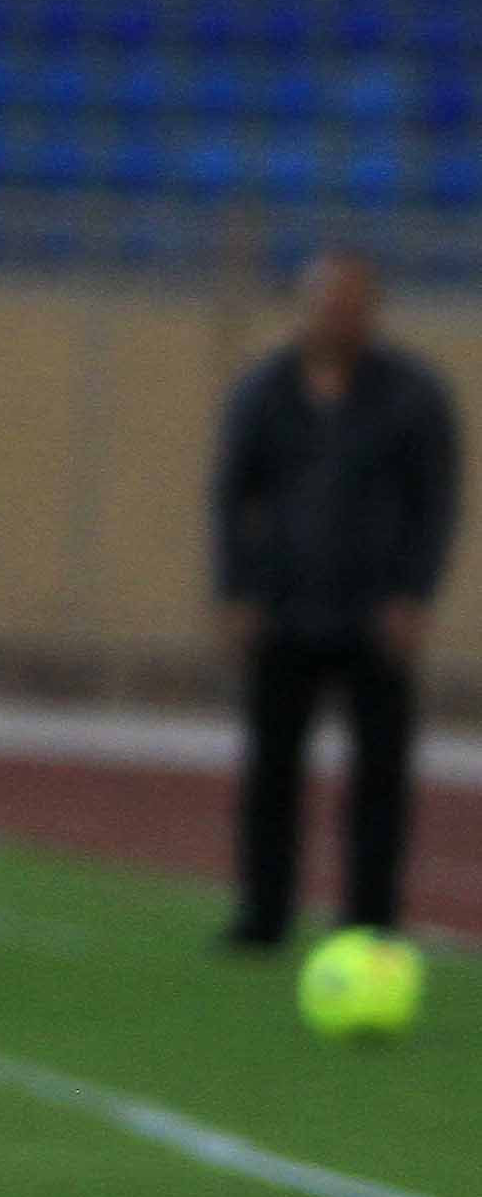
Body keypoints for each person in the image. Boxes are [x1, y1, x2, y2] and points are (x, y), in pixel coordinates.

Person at [213, 249, 458, 948]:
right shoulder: (263, 390)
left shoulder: (412, 395)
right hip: (284, 606)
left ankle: (370, 917)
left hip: (374, 610)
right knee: (271, 766)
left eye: (350, 306)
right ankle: (263, 915)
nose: (337, 318)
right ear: (304, 308)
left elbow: (434, 503)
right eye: (326, 305)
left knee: (379, 772)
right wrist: (237, 590)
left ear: (370, 312)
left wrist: (413, 592)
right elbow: (231, 496)